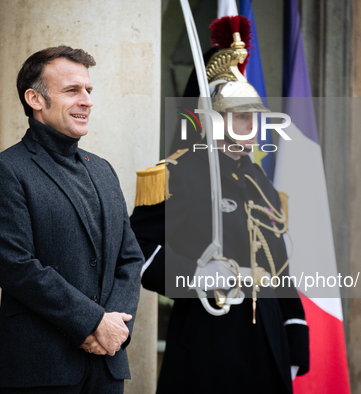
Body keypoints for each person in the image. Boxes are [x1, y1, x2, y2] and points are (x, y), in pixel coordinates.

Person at [130, 17, 309, 393]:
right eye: (241, 117)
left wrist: (294, 337)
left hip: (268, 343)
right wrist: (192, 275)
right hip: (209, 340)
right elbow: (135, 252)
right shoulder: (180, 173)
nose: (252, 125)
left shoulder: (259, 180)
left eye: (253, 117)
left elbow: (280, 265)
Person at [0, 45, 144, 394]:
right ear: (35, 99)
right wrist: (93, 322)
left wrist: (114, 327)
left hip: (106, 366)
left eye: (88, 90)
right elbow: (18, 267)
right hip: (39, 369)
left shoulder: (103, 170)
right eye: (72, 90)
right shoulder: (3, 172)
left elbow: (130, 259)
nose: (87, 100)